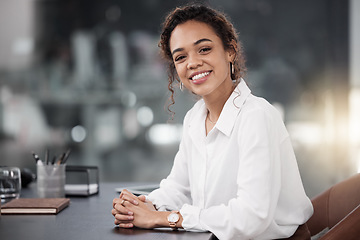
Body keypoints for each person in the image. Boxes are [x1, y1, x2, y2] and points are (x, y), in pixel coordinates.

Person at [112, 4, 313, 240]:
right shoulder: (194, 119)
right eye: (181, 57)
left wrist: (164, 218)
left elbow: (251, 216)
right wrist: (141, 205)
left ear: (230, 50)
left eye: (204, 49)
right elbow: (179, 188)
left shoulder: (256, 117)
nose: (193, 63)